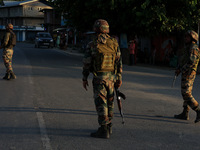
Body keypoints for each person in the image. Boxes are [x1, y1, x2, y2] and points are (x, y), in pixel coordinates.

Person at [82, 19, 123, 139]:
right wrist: (119, 78)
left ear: (96, 29)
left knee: (101, 103)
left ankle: (103, 129)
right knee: (110, 102)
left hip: (99, 78)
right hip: (112, 78)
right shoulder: (114, 43)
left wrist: (84, 78)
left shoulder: (92, 44)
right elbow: (119, 62)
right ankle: (109, 126)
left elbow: (86, 63)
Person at [174, 30, 200, 123]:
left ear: (193, 38)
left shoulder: (193, 47)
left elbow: (191, 62)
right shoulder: (188, 47)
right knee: (186, 93)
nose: (185, 38)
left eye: (187, 37)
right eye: (185, 37)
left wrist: (181, 70)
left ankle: (198, 110)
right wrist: (179, 67)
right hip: (186, 73)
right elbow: (183, 59)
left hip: (189, 73)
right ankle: (185, 113)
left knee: (186, 94)